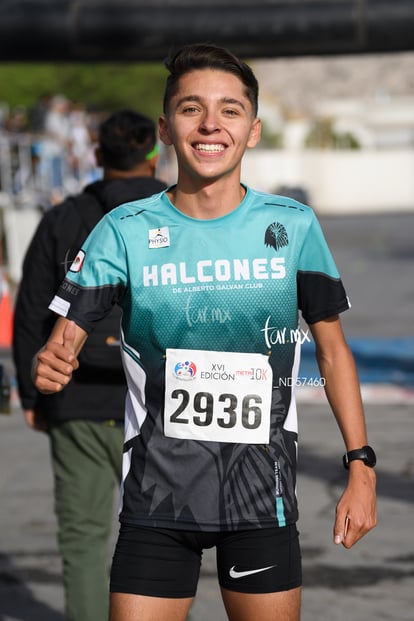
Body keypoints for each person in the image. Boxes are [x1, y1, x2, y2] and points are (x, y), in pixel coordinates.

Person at [32, 44, 377, 621]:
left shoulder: (291, 226)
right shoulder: (124, 229)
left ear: (254, 129)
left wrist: (361, 468)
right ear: (166, 129)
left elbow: (333, 351)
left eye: (230, 110)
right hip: (155, 503)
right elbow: (65, 336)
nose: (211, 124)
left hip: (261, 501)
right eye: (192, 109)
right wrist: (52, 357)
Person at [13, 108, 166, 621]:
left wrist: (34, 396)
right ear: (154, 153)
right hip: (162, 403)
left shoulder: (62, 220)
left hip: (76, 399)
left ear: (97, 156)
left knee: (83, 540)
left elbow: (32, 312)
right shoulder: (178, 215)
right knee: (164, 541)